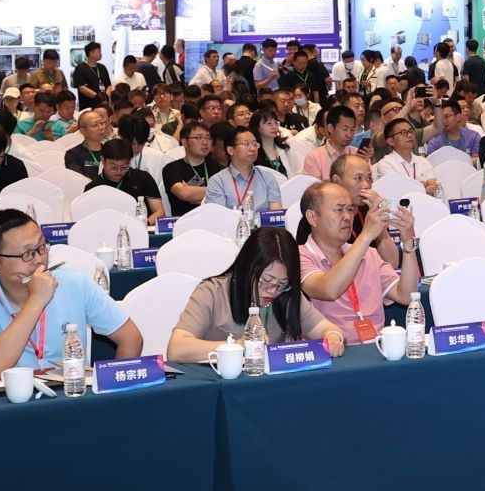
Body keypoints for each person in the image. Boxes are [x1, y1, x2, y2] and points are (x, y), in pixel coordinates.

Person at [0, 209, 140, 381]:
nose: (39, 259)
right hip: (11, 399)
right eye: (27, 253)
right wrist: (36, 300)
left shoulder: (75, 283)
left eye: (42, 246)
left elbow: (131, 338)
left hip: (73, 393)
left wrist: (117, 387)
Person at [167, 226, 345, 359]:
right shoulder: (211, 292)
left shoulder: (287, 294)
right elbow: (177, 349)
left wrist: (333, 337)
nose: (272, 291)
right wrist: (236, 346)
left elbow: (329, 329)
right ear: (247, 268)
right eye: (265, 280)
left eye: (282, 284)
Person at [296, 179, 419, 342]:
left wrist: (408, 242)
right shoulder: (298, 256)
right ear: (312, 217)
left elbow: (407, 296)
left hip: (376, 347)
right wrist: (366, 235)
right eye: (339, 209)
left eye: (350, 209)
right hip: (332, 350)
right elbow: (329, 290)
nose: (347, 217)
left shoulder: (369, 254)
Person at [204, 124, 287, 217]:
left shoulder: (268, 178)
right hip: (232, 225)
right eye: (246, 144)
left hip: (263, 226)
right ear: (230, 150)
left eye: (255, 144)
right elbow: (218, 218)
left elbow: (276, 215)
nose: (252, 148)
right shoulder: (218, 181)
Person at [89, 141, 166, 223]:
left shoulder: (143, 178)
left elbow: (159, 211)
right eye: (114, 167)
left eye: (124, 167)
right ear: (103, 160)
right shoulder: (93, 187)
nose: (119, 171)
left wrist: (144, 224)